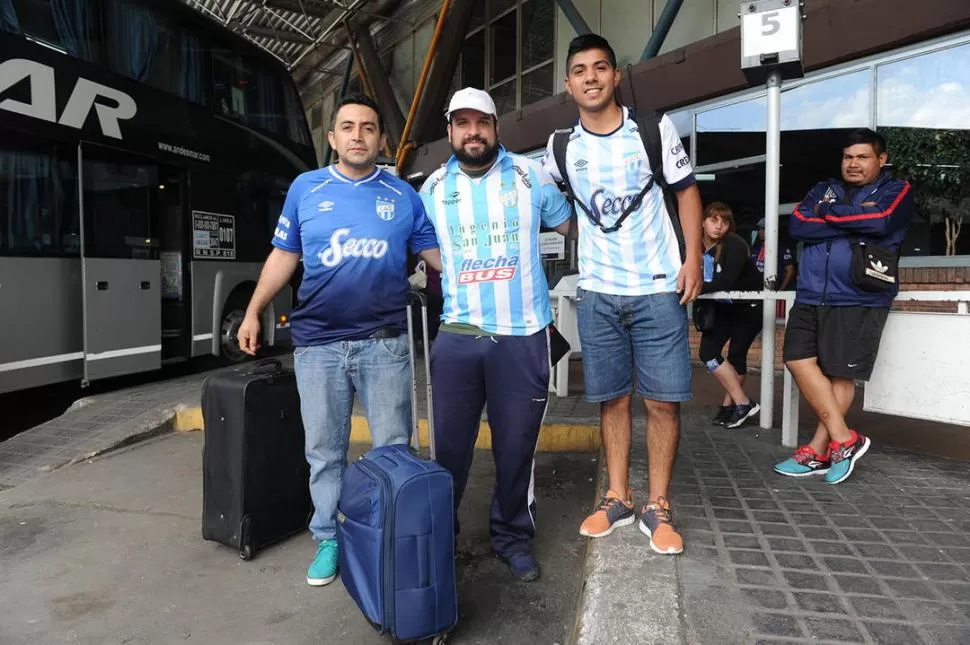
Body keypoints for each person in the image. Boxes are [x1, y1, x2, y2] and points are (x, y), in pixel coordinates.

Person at [236, 93, 442, 586]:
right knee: (325, 451)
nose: (357, 135)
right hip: (318, 346)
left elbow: (440, 259)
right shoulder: (306, 188)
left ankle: (389, 536)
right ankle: (328, 537)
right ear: (332, 139)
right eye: (347, 127)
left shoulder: (403, 197)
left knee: (393, 448)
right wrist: (252, 311)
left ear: (381, 139)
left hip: (385, 343)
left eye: (367, 127)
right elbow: (284, 256)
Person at [542, 34, 703, 555]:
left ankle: (658, 504)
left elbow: (687, 191)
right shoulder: (560, 147)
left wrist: (694, 259)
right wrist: (576, 234)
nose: (591, 77)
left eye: (600, 68)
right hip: (598, 293)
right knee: (611, 400)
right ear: (569, 85)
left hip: (658, 289)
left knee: (663, 402)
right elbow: (540, 198)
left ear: (615, 76)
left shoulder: (652, 130)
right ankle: (618, 496)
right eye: (580, 70)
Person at [419, 87, 572, 582]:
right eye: (462, 123)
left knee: (516, 447)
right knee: (450, 449)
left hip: (523, 335)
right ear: (449, 131)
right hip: (458, 336)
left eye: (481, 122)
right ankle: (441, 540)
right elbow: (417, 245)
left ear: (496, 127)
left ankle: (511, 537)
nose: (473, 132)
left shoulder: (531, 176)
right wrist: (452, 269)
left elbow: (575, 229)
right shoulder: (433, 189)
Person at [774, 128, 913, 485]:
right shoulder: (823, 189)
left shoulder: (896, 190)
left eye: (862, 157)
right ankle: (845, 438)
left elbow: (881, 221)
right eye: (848, 157)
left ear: (881, 160)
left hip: (858, 296)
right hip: (810, 295)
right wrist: (853, 219)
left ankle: (818, 450)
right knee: (796, 360)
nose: (853, 163)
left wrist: (829, 215)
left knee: (839, 372)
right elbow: (799, 225)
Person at [697, 202, 763, 429]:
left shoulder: (733, 244)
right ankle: (739, 404)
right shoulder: (697, 246)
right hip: (725, 307)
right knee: (708, 352)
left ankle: (735, 405)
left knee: (736, 355)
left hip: (749, 305)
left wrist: (691, 287)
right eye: (714, 220)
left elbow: (725, 282)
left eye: (724, 222)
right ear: (703, 221)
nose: (719, 226)